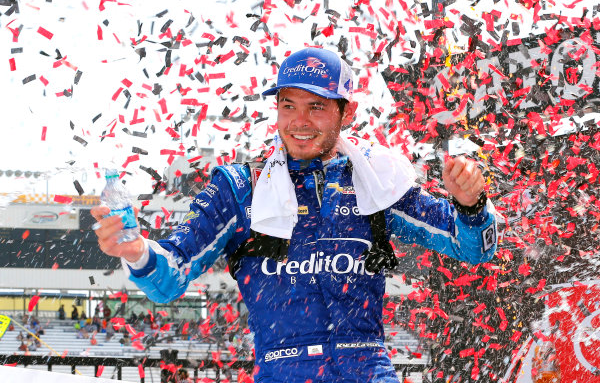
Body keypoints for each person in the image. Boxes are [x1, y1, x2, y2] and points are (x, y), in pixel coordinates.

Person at [92, 48, 498, 383]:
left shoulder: (376, 181)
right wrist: (138, 252)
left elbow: (472, 248)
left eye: (316, 107)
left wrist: (470, 204)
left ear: (347, 112)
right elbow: (170, 278)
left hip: (369, 371)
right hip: (283, 371)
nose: (299, 122)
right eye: (288, 105)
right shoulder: (238, 188)